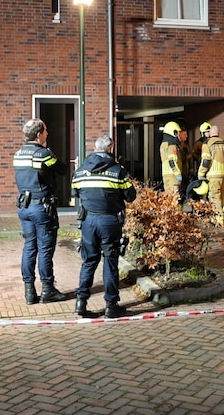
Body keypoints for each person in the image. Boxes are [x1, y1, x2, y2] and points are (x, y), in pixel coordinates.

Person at [72, 135, 137, 318]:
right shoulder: (117, 171)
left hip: (88, 222)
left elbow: (74, 192)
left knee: (89, 261)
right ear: (111, 148)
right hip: (109, 222)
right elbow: (131, 196)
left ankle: (81, 303)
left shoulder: (81, 170)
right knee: (110, 261)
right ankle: (111, 305)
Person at [13, 118, 69, 305]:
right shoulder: (43, 154)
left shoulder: (18, 154)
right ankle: (48, 289)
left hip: (24, 207)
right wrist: (48, 150)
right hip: (42, 207)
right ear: (39, 135)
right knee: (45, 249)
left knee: (30, 247)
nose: (47, 134)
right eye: (45, 131)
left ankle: (29, 291)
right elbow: (61, 169)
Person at [197, 122, 224, 225]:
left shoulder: (207, 144)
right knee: (221, 197)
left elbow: (206, 160)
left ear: (210, 133)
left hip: (213, 174)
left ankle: (218, 220)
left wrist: (201, 173)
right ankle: (218, 217)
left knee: (215, 197)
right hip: (223, 174)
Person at [160, 121, 186, 197]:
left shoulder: (163, 144)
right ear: (173, 133)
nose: (178, 135)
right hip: (173, 176)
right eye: (177, 133)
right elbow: (172, 161)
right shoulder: (172, 145)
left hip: (166, 174)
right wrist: (178, 174)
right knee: (174, 199)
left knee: (168, 198)